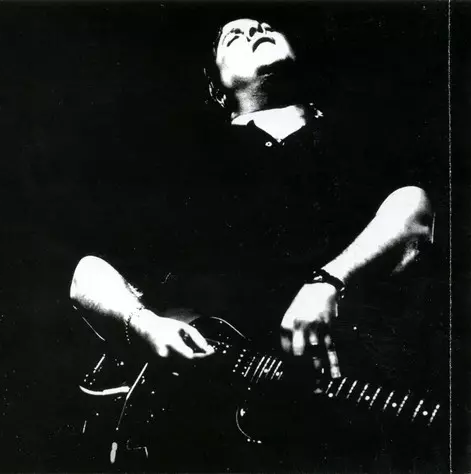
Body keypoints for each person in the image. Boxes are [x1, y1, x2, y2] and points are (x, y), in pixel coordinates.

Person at [70, 17, 437, 471]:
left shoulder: (355, 135)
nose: (254, 31)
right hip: (205, 427)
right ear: (216, 86)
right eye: (233, 36)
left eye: (264, 26)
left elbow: (415, 213)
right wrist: (145, 326)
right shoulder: (182, 160)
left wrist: (328, 282)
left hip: (344, 395)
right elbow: (87, 274)